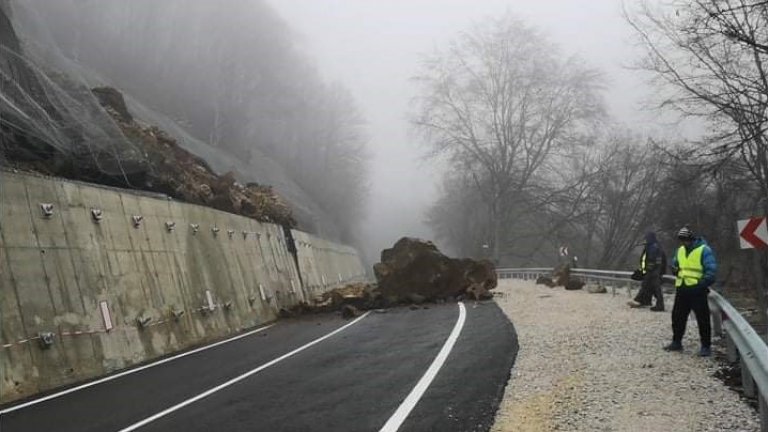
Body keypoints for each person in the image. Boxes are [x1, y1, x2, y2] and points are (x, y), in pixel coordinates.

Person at [663, 226, 717, 357]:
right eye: (681, 240)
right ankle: (676, 342)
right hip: (682, 288)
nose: (683, 243)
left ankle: (705, 346)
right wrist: (674, 269)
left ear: (691, 239)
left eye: (685, 240)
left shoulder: (704, 250)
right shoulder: (680, 250)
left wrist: (702, 284)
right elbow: (676, 264)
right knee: (677, 317)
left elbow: (711, 271)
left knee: (702, 319)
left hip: (697, 290)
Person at [627, 231, 667, 311]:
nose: (645, 240)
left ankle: (658, 305)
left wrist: (650, 269)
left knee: (654, 288)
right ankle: (643, 301)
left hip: (654, 271)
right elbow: (646, 259)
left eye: (646, 238)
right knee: (648, 287)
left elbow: (656, 261)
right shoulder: (650, 246)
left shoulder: (655, 247)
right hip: (651, 271)